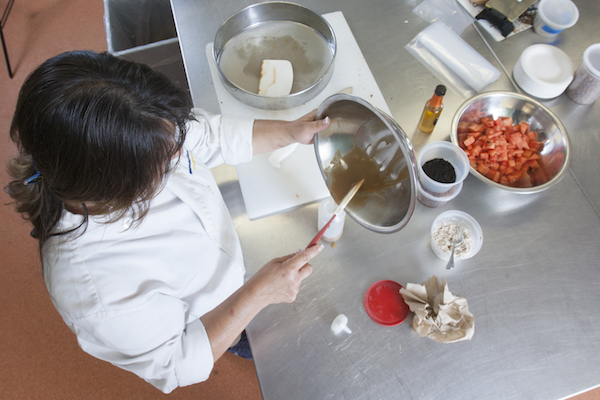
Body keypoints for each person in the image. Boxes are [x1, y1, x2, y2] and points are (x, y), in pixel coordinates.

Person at [5, 50, 330, 393]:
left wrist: (290, 131)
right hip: (214, 316)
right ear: (118, 186)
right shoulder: (94, 288)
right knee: (254, 345)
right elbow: (177, 362)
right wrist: (259, 294)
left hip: (234, 271)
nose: (181, 148)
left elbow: (208, 135)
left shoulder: (144, 130)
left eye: (177, 133)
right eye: (165, 160)